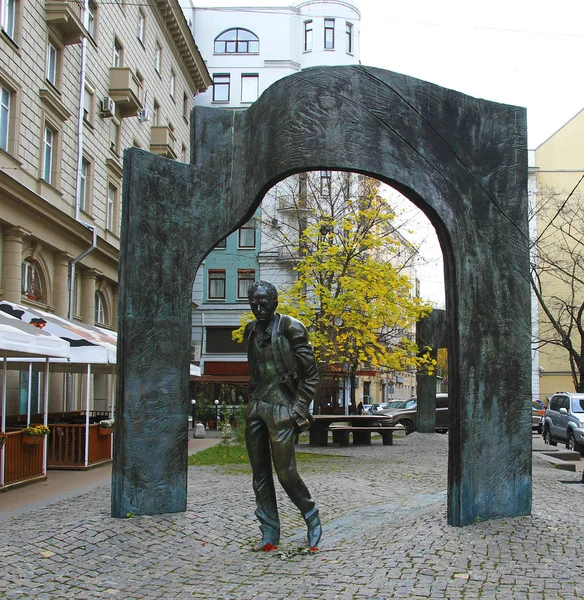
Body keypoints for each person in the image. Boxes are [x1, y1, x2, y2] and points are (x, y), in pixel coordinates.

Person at [244, 280, 321, 551]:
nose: (258, 307)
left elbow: (311, 376)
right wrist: (250, 402)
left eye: (264, 302)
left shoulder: (291, 327)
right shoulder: (251, 331)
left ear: (275, 303)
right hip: (257, 408)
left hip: (282, 408)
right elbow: (254, 373)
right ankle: (269, 533)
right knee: (260, 474)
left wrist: (298, 409)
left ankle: (311, 517)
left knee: (286, 473)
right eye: (254, 302)